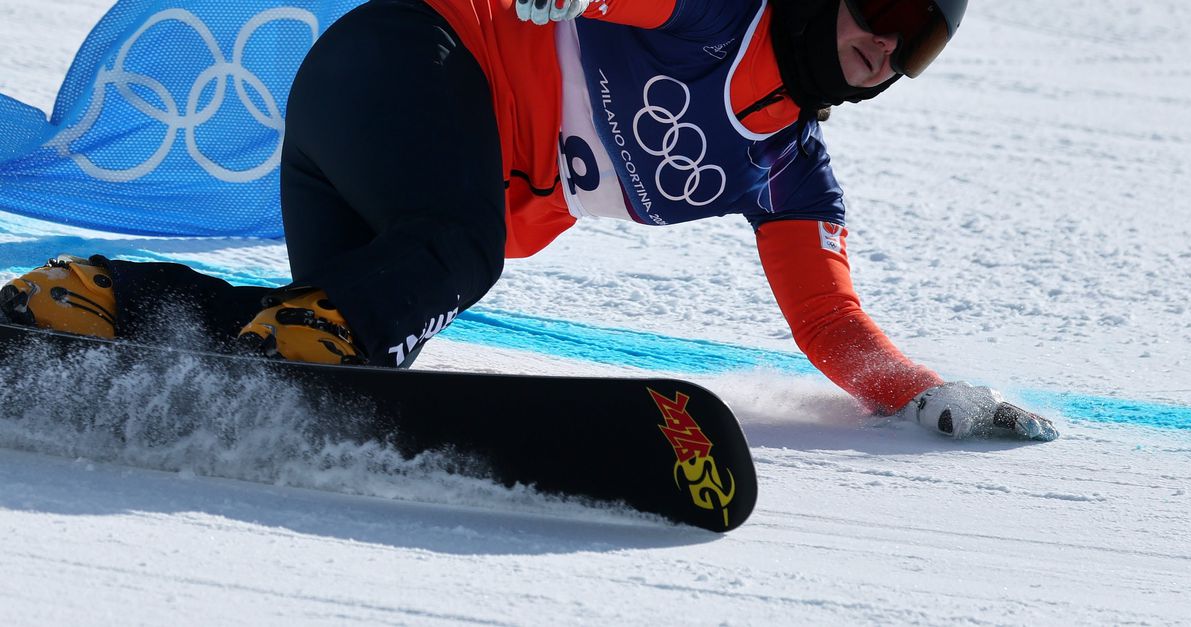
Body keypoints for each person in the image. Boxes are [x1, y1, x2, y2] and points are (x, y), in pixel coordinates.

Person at [0, 0, 1058, 441]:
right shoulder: (709, 10)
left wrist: (920, 393)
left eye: (918, 42)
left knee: (336, 333)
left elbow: (833, 325)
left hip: (371, 141)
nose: (886, 46)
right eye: (881, 8)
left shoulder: (789, 174)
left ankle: (99, 298)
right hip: (405, 64)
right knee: (460, 254)